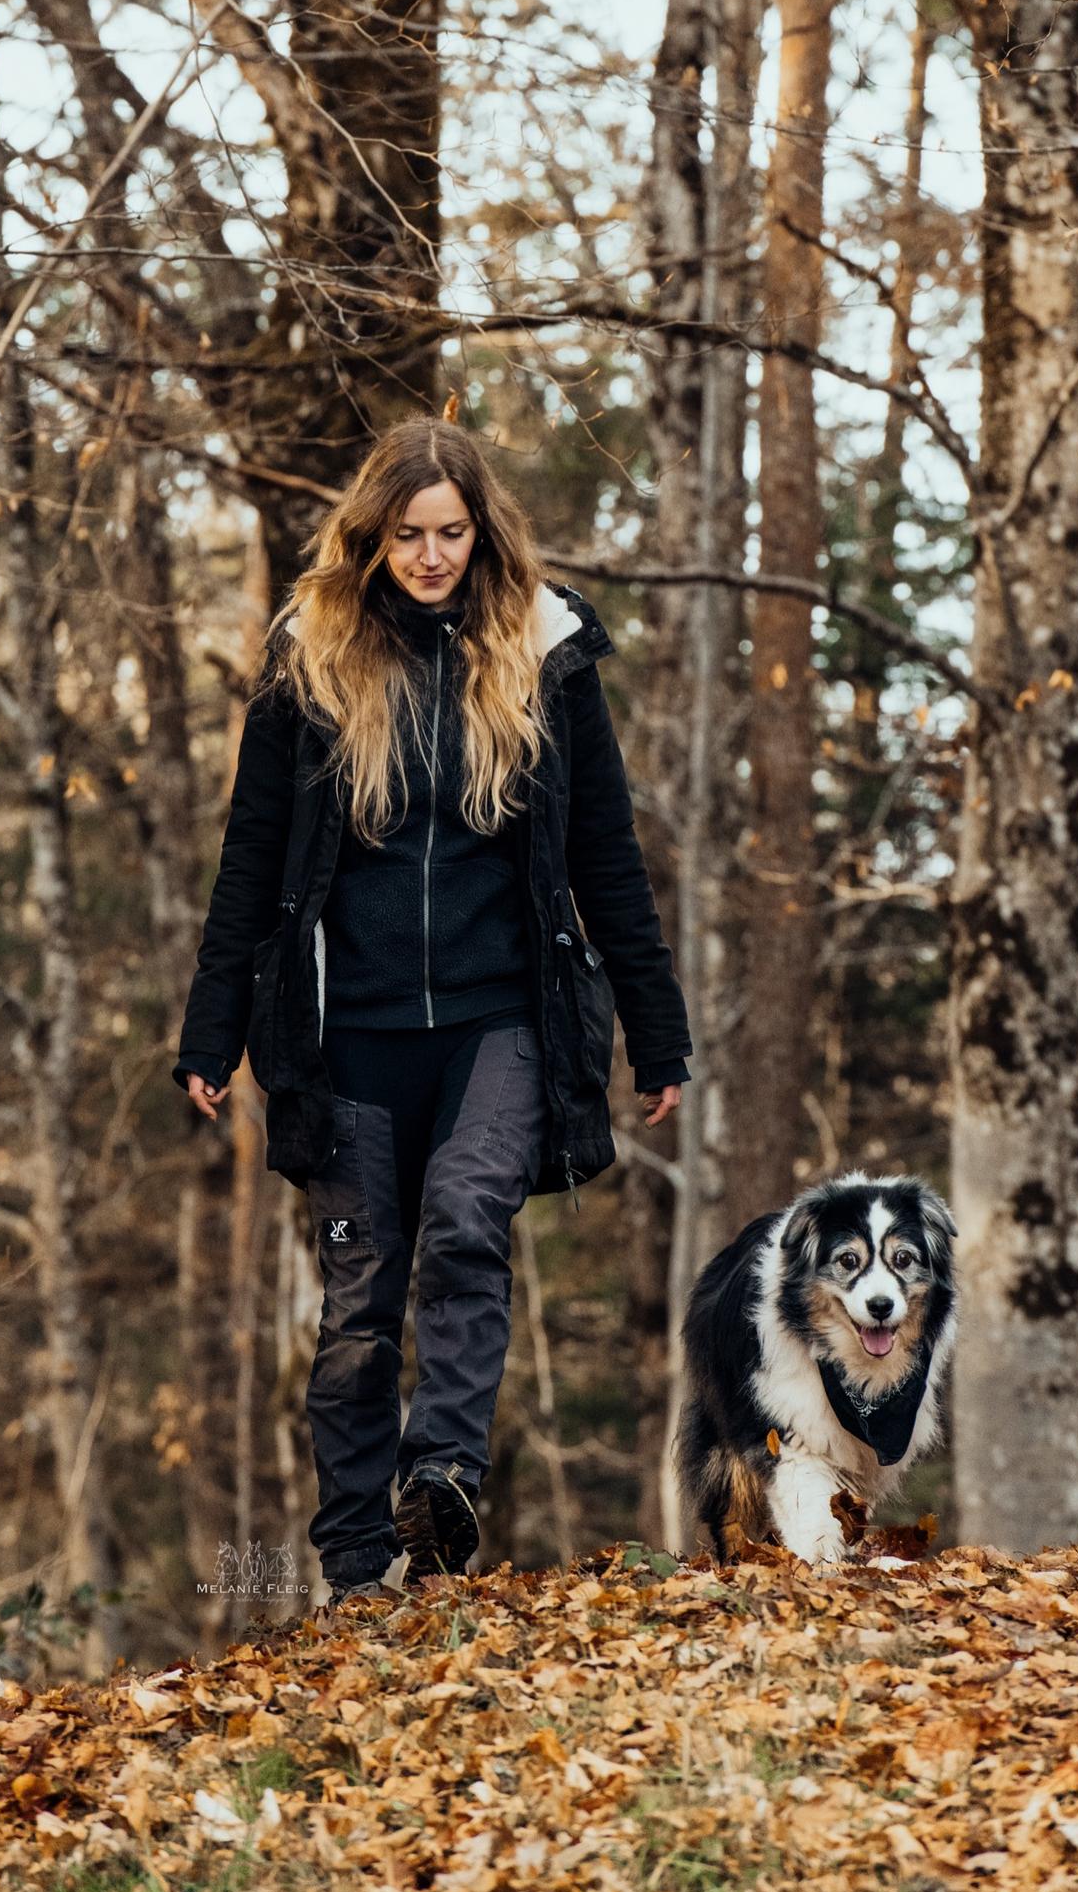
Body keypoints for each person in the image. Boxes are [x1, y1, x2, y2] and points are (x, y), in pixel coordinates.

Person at [173, 415, 693, 1605]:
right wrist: (213, 1032)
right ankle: (358, 1565)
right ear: (373, 535)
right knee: (360, 1304)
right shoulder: (311, 657)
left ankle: (446, 1477)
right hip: (344, 1030)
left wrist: (654, 1033)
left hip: (498, 1020)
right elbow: (251, 860)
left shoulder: (545, 652)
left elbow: (606, 857)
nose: (431, 556)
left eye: (451, 532)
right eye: (408, 534)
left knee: (467, 1222)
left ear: (481, 532)